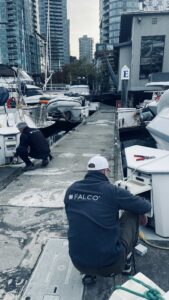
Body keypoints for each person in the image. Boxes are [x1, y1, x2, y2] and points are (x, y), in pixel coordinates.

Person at [64, 155, 151, 284]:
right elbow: (145, 206)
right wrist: (133, 205)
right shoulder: (112, 191)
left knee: (85, 224)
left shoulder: (72, 189)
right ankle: (126, 265)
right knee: (131, 213)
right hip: (111, 266)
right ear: (105, 171)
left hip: (78, 263)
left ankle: (88, 273)